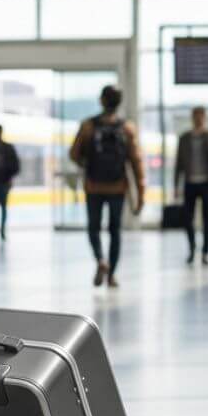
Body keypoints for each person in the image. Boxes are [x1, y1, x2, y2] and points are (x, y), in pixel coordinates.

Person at [69, 85, 145, 288]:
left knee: (94, 228)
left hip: (94, 186)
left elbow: (74, 154)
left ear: (102, 100)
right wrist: (141, 194)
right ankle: (112, 275)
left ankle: (100, 260)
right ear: (119, 102)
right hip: (117, 187)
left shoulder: (88, 126)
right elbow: (136, 163)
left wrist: (87, 164)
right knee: (115, 231)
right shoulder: (126, 129)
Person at [175, 107, 208, 266]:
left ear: (204, 118)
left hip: (206, 183)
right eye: (195, 116)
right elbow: (178, 163)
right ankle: (192, 249)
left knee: (206, 219)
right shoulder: (184, 138)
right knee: (187, 219)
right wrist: (176, 185)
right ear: (192, 118)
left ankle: (205, 252)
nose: (198, 119)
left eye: (201, 116)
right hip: (190, 183)